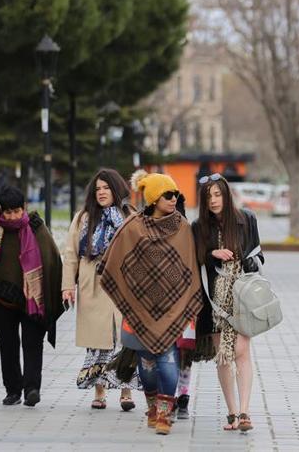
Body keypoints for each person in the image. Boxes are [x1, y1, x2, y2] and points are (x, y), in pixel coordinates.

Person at [100, 170, 203, 436]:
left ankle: (165, 414)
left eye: (176, 195)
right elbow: (116, 264)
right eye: (168, 195)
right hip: (139, 308)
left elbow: (188, 268)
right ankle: (153, 406)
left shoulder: (182, 227)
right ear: (155, 198)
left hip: (173, 308)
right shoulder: (133, 226)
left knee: (168, 359)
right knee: (146, 363)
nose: (174, 199)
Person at [0, 186, 64, 407]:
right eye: (7, 212)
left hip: (32, 301)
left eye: (16, 211)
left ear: (24, 208)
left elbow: (52, 260)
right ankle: (12, 390)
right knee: (7, 345)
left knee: (32, 343)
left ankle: (31, 389)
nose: (12, 217)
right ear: (1, 211)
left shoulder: (38, 229)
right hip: (1, 299)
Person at [62, 169, 138, 410]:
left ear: (116, 190)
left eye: (106, 188)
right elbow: (71, 254)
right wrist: (67, 286)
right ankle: (99, 391)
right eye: (98, 189)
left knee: (125, 338)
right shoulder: (83, 218)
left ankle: (126, 391)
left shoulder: (130, 216)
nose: (102, 192)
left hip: (122, 285)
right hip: (92, 284)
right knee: (98, 342)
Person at [193, 173, 263, 432]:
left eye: (217, 194)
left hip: (241, 296)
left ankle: (245, 411)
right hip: (213, 301)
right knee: (223, 357)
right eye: (208, 196)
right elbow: (195, 259)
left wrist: (248, 260)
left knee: (242, 352)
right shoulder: (199, 226)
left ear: (226, 194)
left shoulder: (246, 219)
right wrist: (212, 254)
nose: (213, 200)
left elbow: (258, 253)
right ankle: (232, 412)